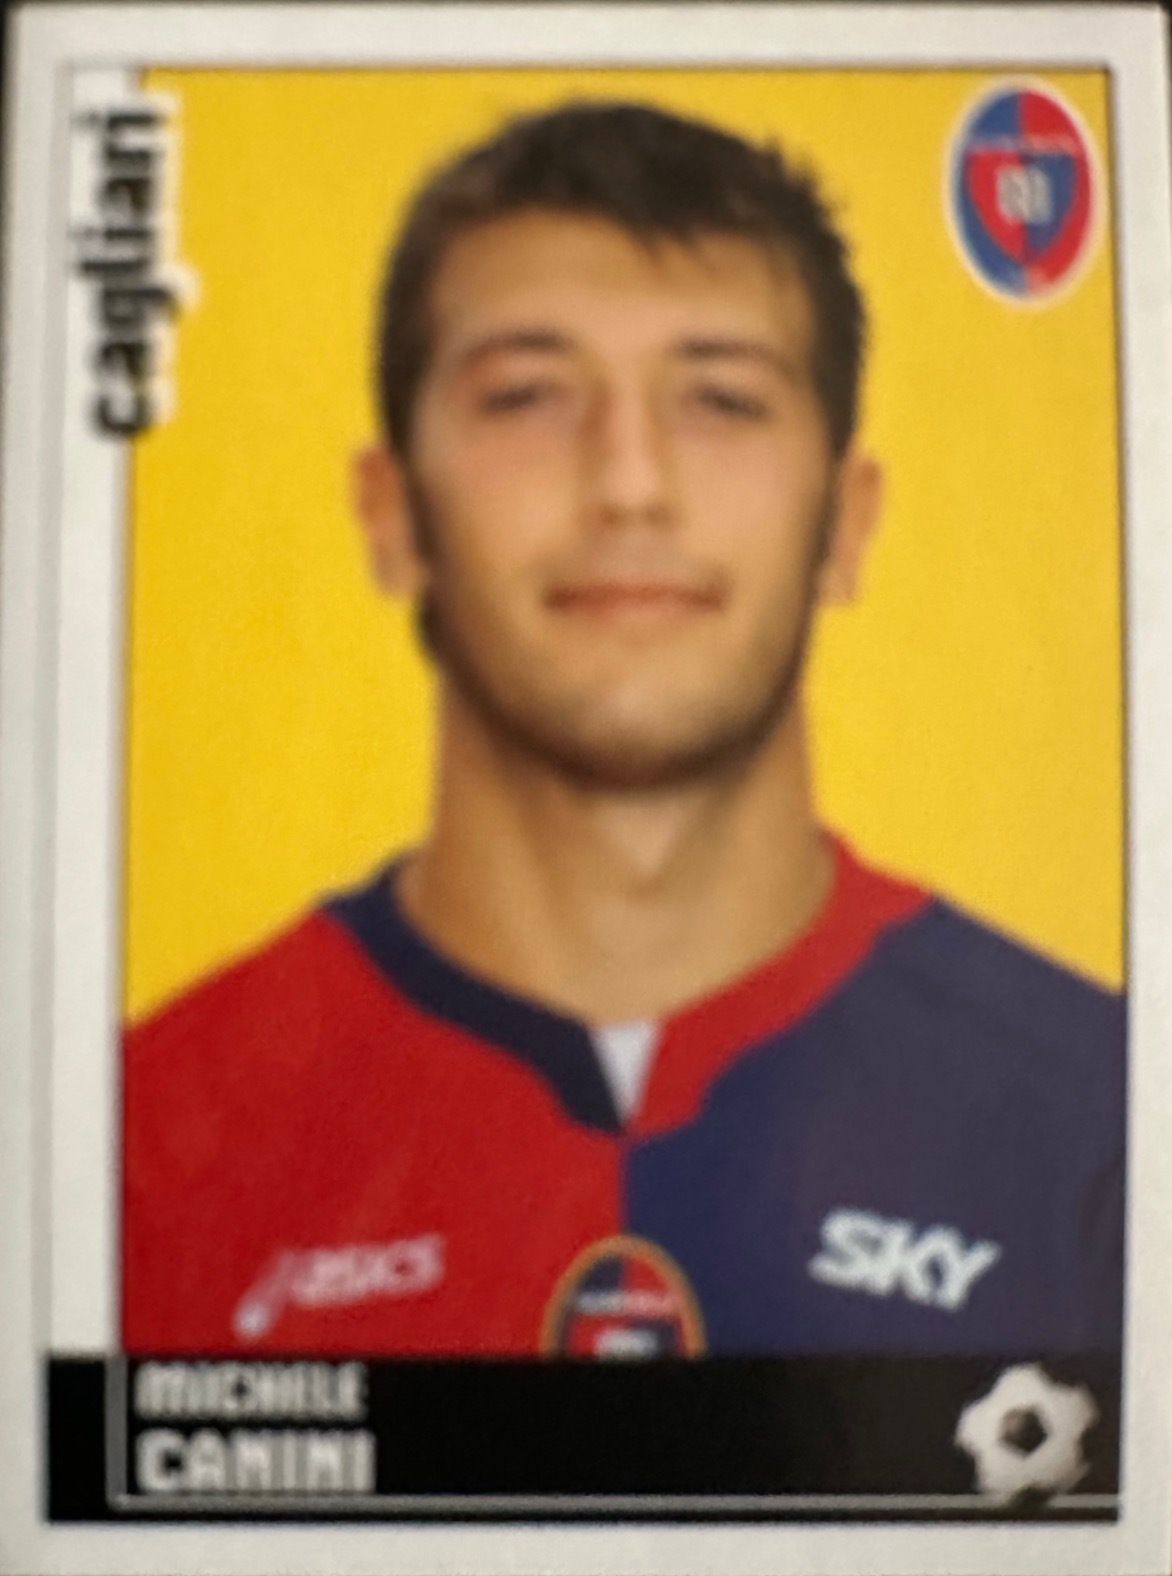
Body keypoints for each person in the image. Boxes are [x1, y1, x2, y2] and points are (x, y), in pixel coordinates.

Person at [123, 101, 1124, 1362]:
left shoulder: (1101, 1123)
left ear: (846, 521)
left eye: (720, 398)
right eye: (527, 396)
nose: (630, 483)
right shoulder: (143, 1145)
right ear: (391, 515)